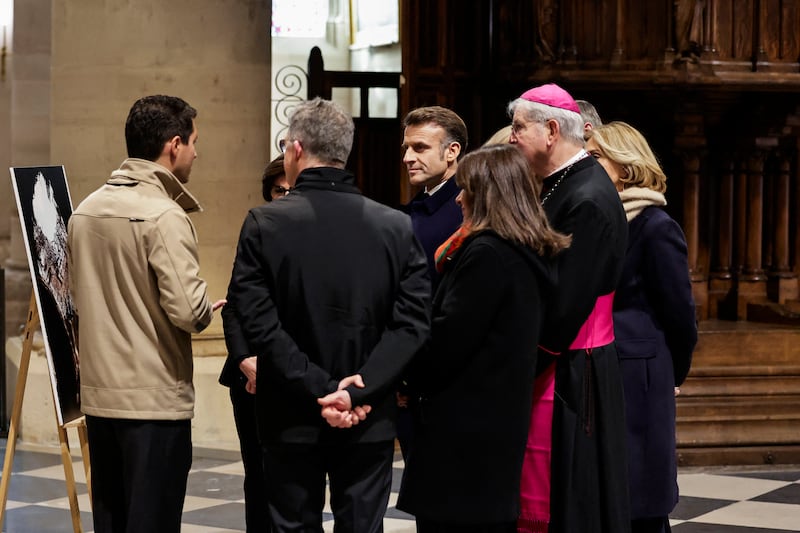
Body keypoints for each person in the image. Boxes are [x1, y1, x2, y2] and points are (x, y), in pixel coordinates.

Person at [226, 97, 430, 533]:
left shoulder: (264, 223)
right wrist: (357, 392)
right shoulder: (395, 225)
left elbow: (259, 321)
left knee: (293, 526)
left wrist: (320, 388)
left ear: (295, 149)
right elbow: (412, 323)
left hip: (290, 412)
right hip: (367, 413)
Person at [67, 94, 225, 533]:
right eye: (194, 142)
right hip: (153, 404)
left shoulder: (85, 209)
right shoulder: (163, 215)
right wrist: (202, 305)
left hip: (100, 400)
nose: (197, 152)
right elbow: (190, 314)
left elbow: (79, 300)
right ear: (174, 145)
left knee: (112, 521)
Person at [397, 144, 570, 532]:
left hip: (465, 433)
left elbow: (447, 343)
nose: (458, 198)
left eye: (466, 189)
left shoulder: (487, 255)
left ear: (488, 194)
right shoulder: (522, 250)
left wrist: (407, 377)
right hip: (491, 423)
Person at [508, 83, 630, 533]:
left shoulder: (587, 198)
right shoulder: (560, 184)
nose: (512, 136)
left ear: (552, 130)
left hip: (571, 368)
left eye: (520, 127)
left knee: (569, 497)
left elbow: (563, 307)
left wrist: (512, 363)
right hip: (564, 362)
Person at [586, 121, 697, 533]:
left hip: (640, 375)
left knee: (641, 497)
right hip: (598, 366)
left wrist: (674, 371)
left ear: (626, 168)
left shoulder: (655, 226)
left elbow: (680, 313)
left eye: (595, 157)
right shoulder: (595, 219)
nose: (585, 164)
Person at [218, 153, 290, 533]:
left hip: (296, 373)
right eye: (279, 190)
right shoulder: (256, 230)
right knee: (257, 473)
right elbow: (233, 307)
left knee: (293, 476)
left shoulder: (315, 236)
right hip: (251, 375)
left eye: (292, 189)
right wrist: (245, 358)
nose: (285, 196)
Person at [397, 105, 468, 460]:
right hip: (414, 372)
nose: (408, 157)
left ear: (452, 151)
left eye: (420, 148)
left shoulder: (464, 210)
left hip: (446, 376)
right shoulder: (415, 209)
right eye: (406, 148)